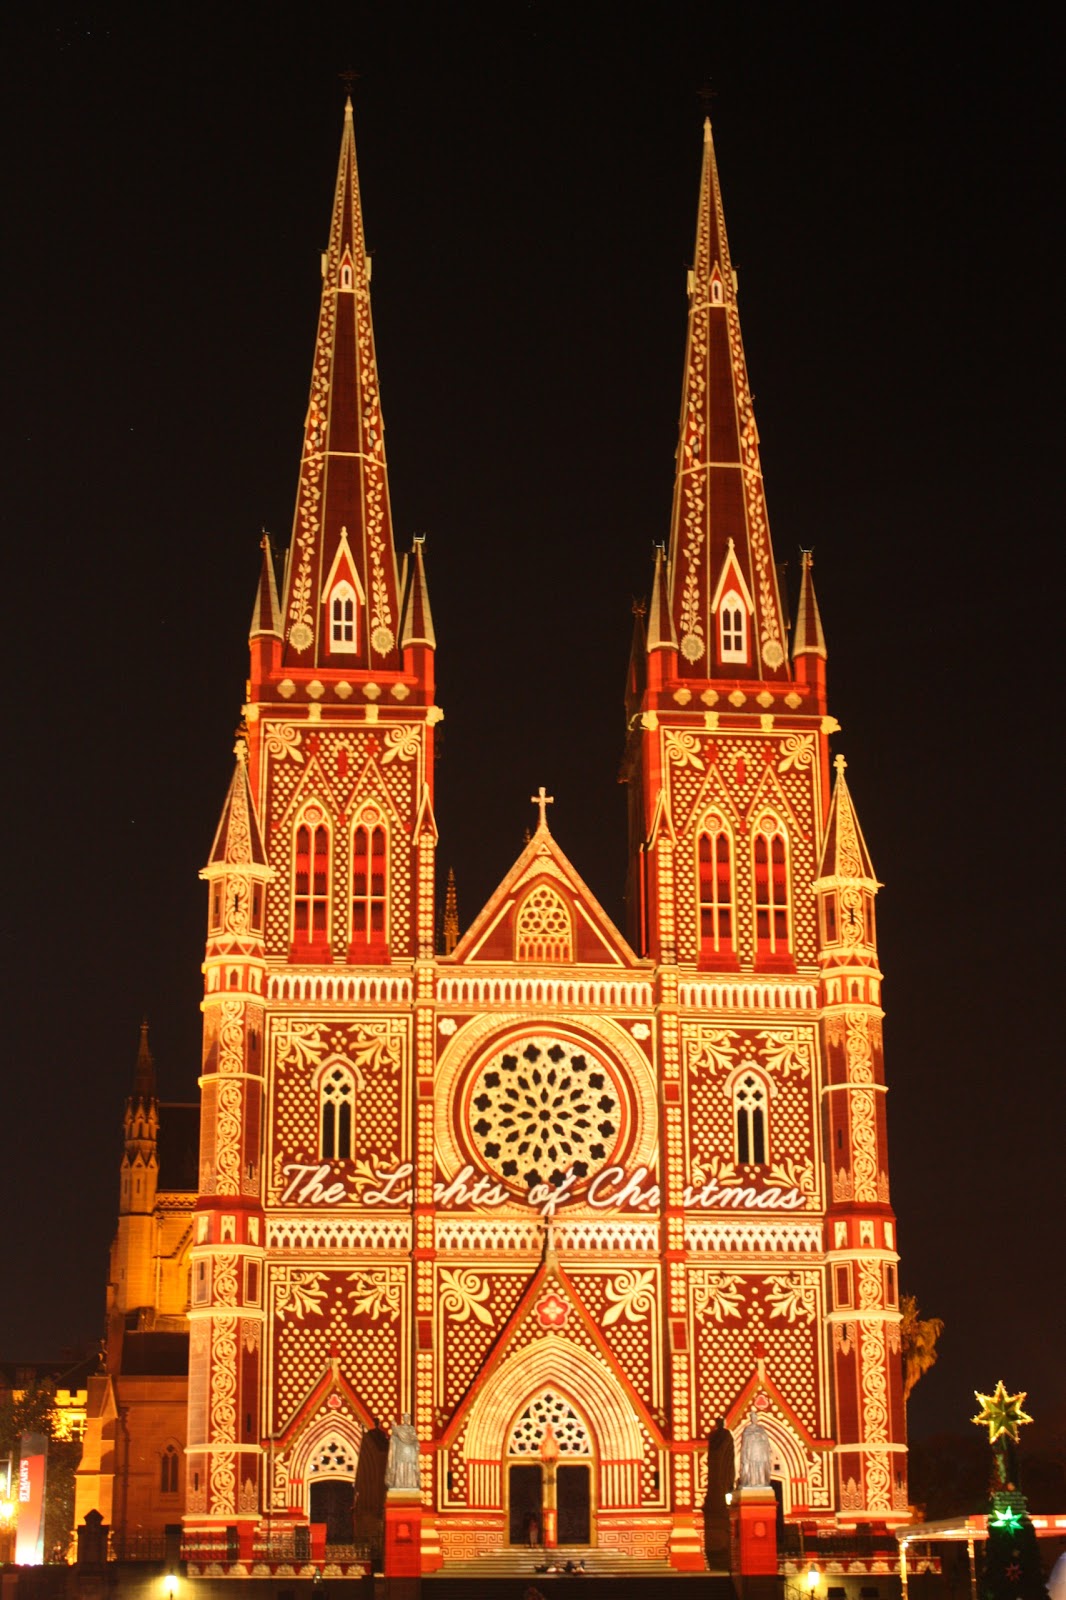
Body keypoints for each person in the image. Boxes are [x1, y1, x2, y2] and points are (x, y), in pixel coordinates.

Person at [738, 1406, 773, 1488]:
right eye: (753, 1418)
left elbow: (765, 1438)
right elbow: (746, 1438)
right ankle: (752, 1482)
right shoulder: (748, 1429)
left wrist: (760, 1436)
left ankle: (761, 1482)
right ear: (751, 1419)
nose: (755, 1419)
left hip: (760, 1452)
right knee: (752, 1467)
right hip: (752, 1452)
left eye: (756, 1418)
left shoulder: (761, 1428)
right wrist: (753, 1436)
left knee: (760, 1466)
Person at [385, 1412, 421, 1490]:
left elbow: (414, 1438)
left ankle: (411, 1484)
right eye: (405, 1417)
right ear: (403, 1419)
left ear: (409, 1419)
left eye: (407, 1418)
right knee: (400, 1466)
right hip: (400, 1450)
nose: (406, 1419)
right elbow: (394, 1434)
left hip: (410, 1451)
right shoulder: (399, 1428)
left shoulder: (411, 1428)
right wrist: (394, 1426)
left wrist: (416, 1443)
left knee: (410, 1466)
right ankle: (399, 1484)